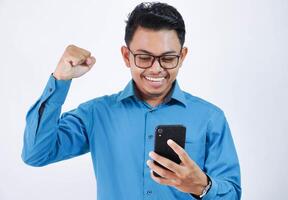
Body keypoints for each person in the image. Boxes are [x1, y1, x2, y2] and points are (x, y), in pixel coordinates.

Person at [22, 2, 241, 200]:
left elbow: (232, 195)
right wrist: (60, 80)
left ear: (182, 57)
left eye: (168, 58)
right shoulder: (96, 114)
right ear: (127, 56)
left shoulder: (210, 118)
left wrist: (202, 186)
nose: (156, 69)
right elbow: (36, 154)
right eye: (144, 57)